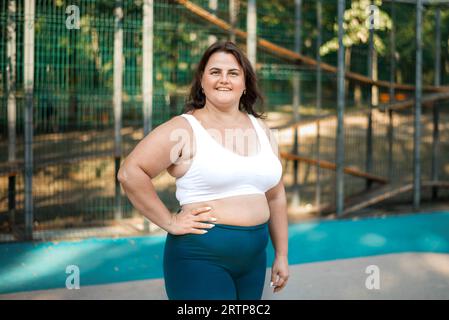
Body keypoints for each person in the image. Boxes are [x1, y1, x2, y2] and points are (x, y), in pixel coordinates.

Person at [118, 41, 289, 300]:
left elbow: (275, 196)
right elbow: (130, 172)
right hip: (199, 259)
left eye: (233, 73)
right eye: (215, 72)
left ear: (245, 83)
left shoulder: (263, 130)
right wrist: (169, 222)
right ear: (201, 81)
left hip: (253, 263)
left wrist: (282, 255)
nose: (224, 79)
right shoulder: (185, 128)